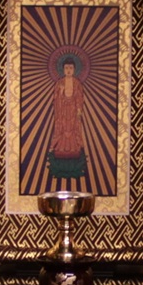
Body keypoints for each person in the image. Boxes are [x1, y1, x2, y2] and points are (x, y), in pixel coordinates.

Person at [46, 55, 87, 187]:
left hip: (73, 113)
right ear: (63, 69)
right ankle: (59, 154)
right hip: (62, 112)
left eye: (71, 68)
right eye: (66, 68)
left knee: (73, 132)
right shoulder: (59, 83)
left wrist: (79, 109)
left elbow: (80, 97)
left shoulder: (77, 83)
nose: (68, 70)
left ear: (74, 69)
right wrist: (61, 93)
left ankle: (75, 155)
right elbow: (56, 99)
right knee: (62, 131)